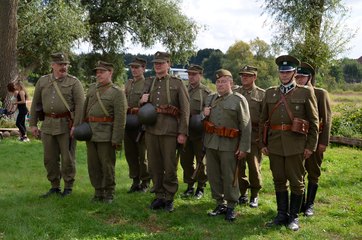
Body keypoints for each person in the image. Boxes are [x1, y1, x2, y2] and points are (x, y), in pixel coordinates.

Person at [260, 55, 319, 231]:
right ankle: (281, 215)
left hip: (296, 145)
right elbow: (264, 121)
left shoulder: (305, 92)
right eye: (281, 72)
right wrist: (262, 143)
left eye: (288, 71)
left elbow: (314, 122)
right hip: (275, 144)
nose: (284, 74)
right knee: (278, 180)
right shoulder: (270, 92)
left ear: (294, 72)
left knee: (296, 181)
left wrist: (310, 146)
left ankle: (294, 217)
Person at [140, 51, 190, 212]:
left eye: (161, 63)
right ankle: (159, 195)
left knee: (169, 166)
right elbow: (143, 105)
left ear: (168, 64)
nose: (158, 66)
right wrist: (141, 101)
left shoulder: (177, 83)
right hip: (151, 129)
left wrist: (183, 132)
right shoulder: (149, 82)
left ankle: (169, 197)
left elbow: (185, 108)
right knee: (154, 165)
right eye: (155, 63)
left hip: (169, 130)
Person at [30, 52, 85, 197]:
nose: (63, 67)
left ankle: (68, 187)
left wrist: (76, 126)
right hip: (47, 124)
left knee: (67, 158)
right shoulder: (42, 81)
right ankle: (54, 186)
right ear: (52, 65)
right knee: (49, 158)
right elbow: (36, 103)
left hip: (66, 124)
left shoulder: (74, 82)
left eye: (65, 64)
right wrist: (33, 124)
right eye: (60, 64)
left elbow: (80, 105)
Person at [203, 69, 251, 222]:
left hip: (230, 144)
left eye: (223, 81)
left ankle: (231, 206)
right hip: (211, 143)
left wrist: (243, 147)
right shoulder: (210, 98)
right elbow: (203, 121)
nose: (220, 84)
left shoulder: (238, 100)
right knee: (213, 175)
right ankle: (220, 203)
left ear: (231, 83)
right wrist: (204, 114)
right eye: (218, 82)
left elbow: (246, 126)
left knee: (230, 176)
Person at [82, 61, 127, 203]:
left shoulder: (117, 92)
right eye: (97, 72)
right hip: (91, 133)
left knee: (107, 165)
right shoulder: (92, 88)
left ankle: (109, 193)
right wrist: (81, 128)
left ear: (110, 73)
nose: (99, 74)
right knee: (93, 165)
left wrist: (117, 139)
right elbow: (85, 110)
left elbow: (120, 118)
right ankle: (98, 192)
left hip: (106, 134)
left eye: (102, 71)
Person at [295, 62, 332, 217]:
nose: (299, 79)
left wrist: (323, 142)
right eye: (297, 77)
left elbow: (327, 118)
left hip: (315, 139)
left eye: (302, 76)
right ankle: (300, 203)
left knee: (313, 171)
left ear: (309, 77)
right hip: (297, 139)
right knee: (298, 172)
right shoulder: (293, 92)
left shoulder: (320, 93)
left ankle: (309, 205)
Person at [234, 65, 265, 208]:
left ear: (254, 77)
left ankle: (254, 194)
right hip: (237, 135)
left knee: (253, 167)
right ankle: (242, 193)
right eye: (242, 75)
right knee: (238, 166)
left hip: (254, 137)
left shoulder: (262, 95)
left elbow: (266, 119)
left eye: (248, 75)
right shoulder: (235, 92)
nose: (244, 77)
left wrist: (263, 140)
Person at [180, 64, 211, 199]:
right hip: (185, 130)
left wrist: (204, 114)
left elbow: (209, 111)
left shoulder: (206, 92)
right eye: (189, 74)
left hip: (199, 131)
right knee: (185, 160)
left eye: (194, 74)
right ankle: (189, 185)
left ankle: (201, 186)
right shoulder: (183, 89)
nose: (191, 77)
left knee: (200, 161)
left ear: (200, 75)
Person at [124, 57, 151, 193]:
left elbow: (152, 105)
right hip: (128, 122)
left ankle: (145, 182)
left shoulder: (148, 84)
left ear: (143, 69)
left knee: (143, 154)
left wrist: (142, 103)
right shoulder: (128, 83)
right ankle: (135, 180)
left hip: (141, 124)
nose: (134, 70)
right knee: (130, 153)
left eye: (137, 67)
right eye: (132, 67)